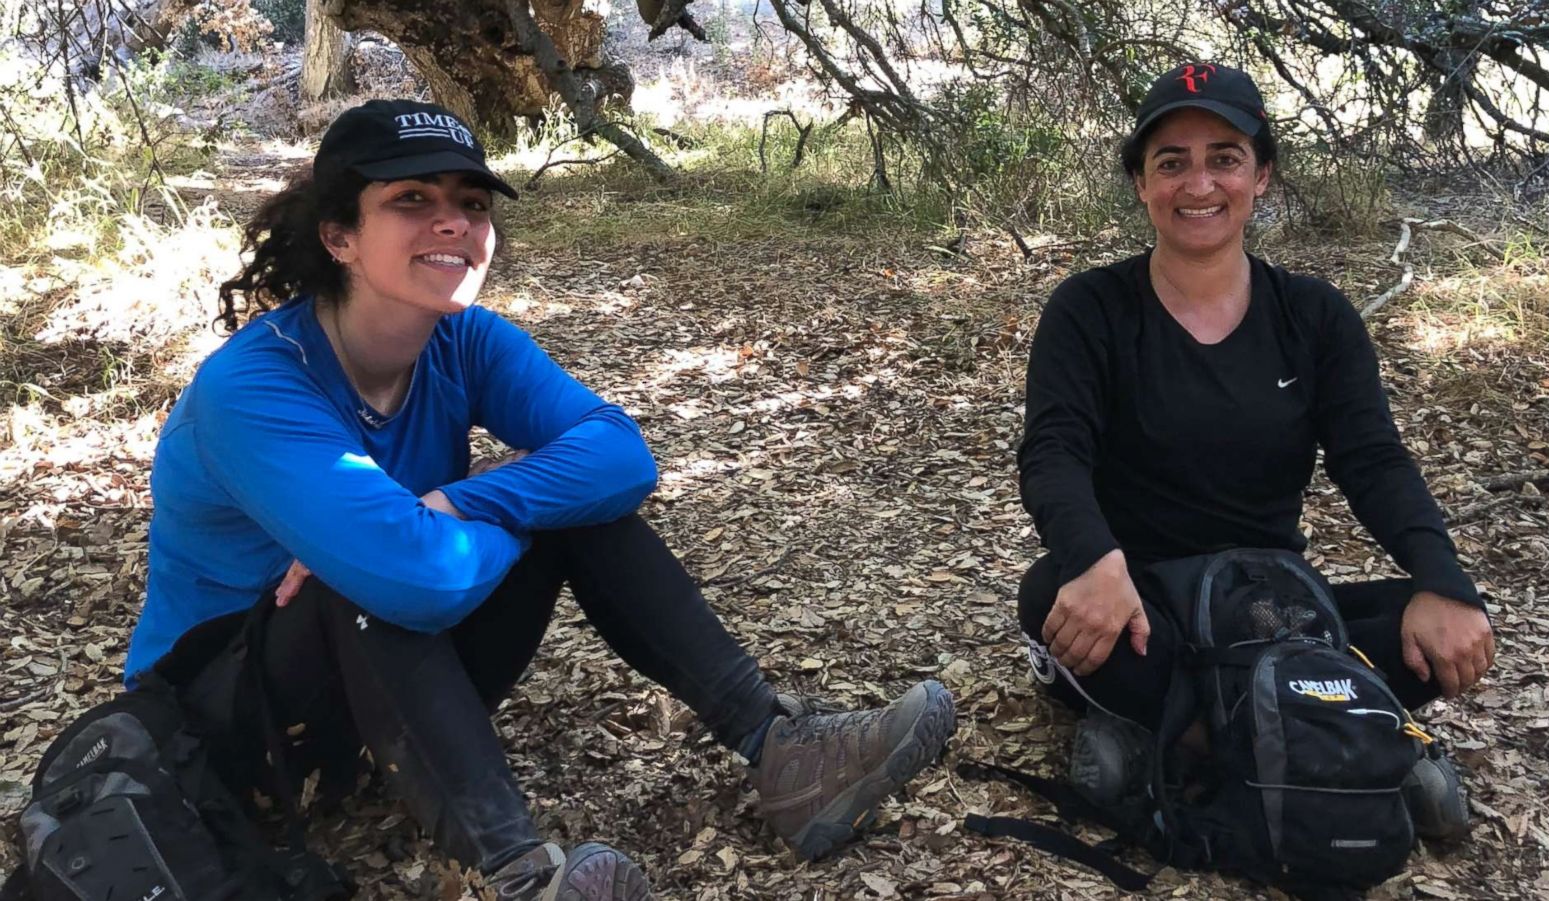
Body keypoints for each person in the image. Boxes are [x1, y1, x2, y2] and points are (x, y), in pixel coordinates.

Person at [128, 99, 956, 900]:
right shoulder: (254, 385)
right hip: (228, 734)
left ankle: (780, 745)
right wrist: (443, 526)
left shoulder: (463, 338)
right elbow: (414, 579)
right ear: (339, 234)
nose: (453, 222)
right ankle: (518, 874)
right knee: (372, 575)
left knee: (559, 508)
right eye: (411, 199)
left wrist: (462, 501)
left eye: (471, 202)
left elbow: (621, 455)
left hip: (386, 694)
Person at [1015, 64, 1494, 840]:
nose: (1198, 182)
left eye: (1224, 157)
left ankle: (1190, 743)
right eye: (1171, 161)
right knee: (1049, 599)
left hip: (1268, 604)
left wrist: (1445, 578)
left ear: (1261, 175)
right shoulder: (1090, 309)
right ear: (1141, 182)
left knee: (1435, 622)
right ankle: (1345, 741)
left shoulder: (1314, 315)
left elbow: (1371, 460)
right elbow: (1053, 452)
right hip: (1140, 604)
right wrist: (1092, 558)